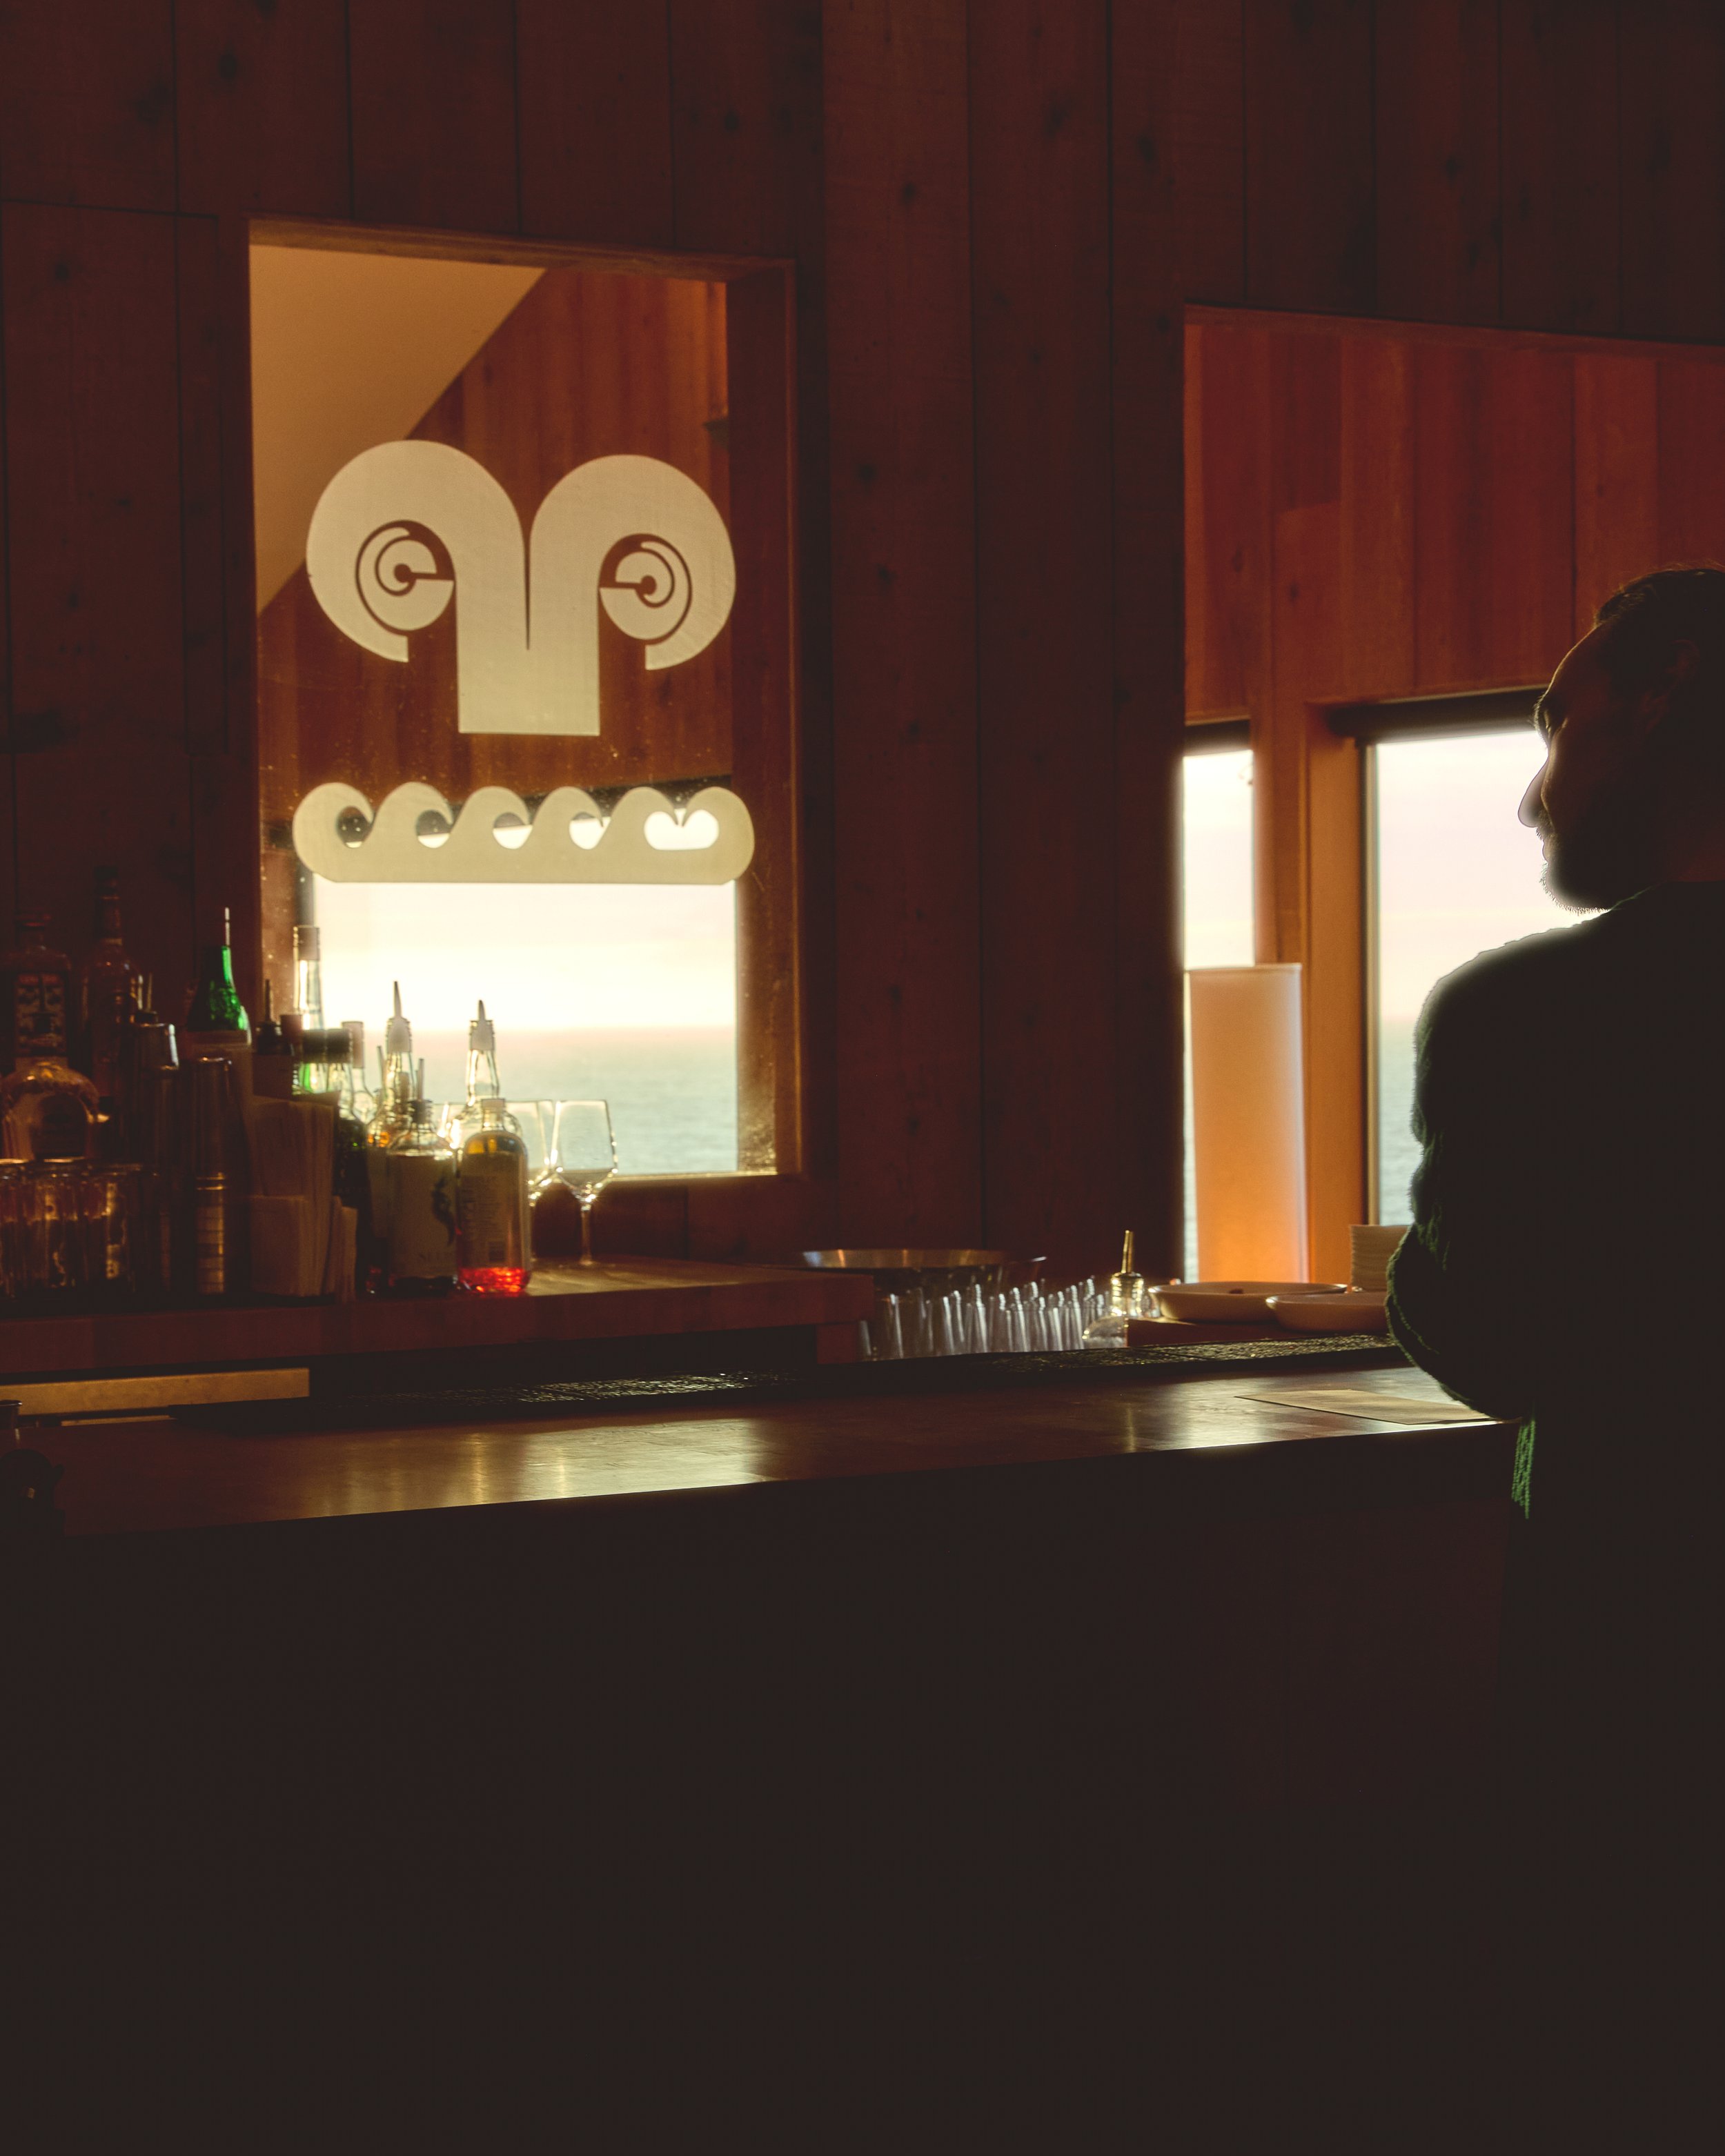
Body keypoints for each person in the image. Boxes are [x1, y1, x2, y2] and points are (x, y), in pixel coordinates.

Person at [1388, 566, 1724, 2151]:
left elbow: (1486, 1329)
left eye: (1561, 725)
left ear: (1660, 713)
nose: (1535, 795)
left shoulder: (1536, 1016)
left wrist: (1406, 1262)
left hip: (1641, 1683)